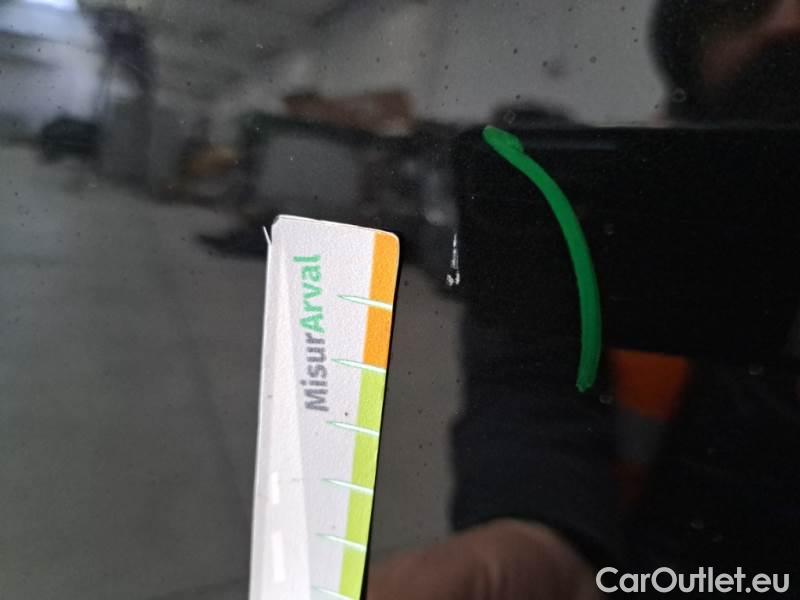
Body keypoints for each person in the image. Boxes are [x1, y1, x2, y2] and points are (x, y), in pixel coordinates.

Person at [367, 2, 800, 598]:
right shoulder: (605, 202)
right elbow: (530, 374)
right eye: (740, 5)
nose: (788, 21)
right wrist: (536, 529)